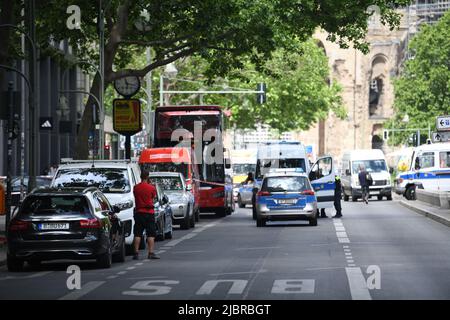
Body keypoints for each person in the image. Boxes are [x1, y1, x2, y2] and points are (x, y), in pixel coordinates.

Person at [132, 170, 160, 260]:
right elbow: (153, 198)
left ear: (140, 177)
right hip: (149, 213)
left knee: (137, 233)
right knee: (150, 234)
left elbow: (135, 196)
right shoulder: (151, 188)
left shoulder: (135, 187)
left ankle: (136, 253)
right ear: (147, 177)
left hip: (139, 212)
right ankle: (150, 253)